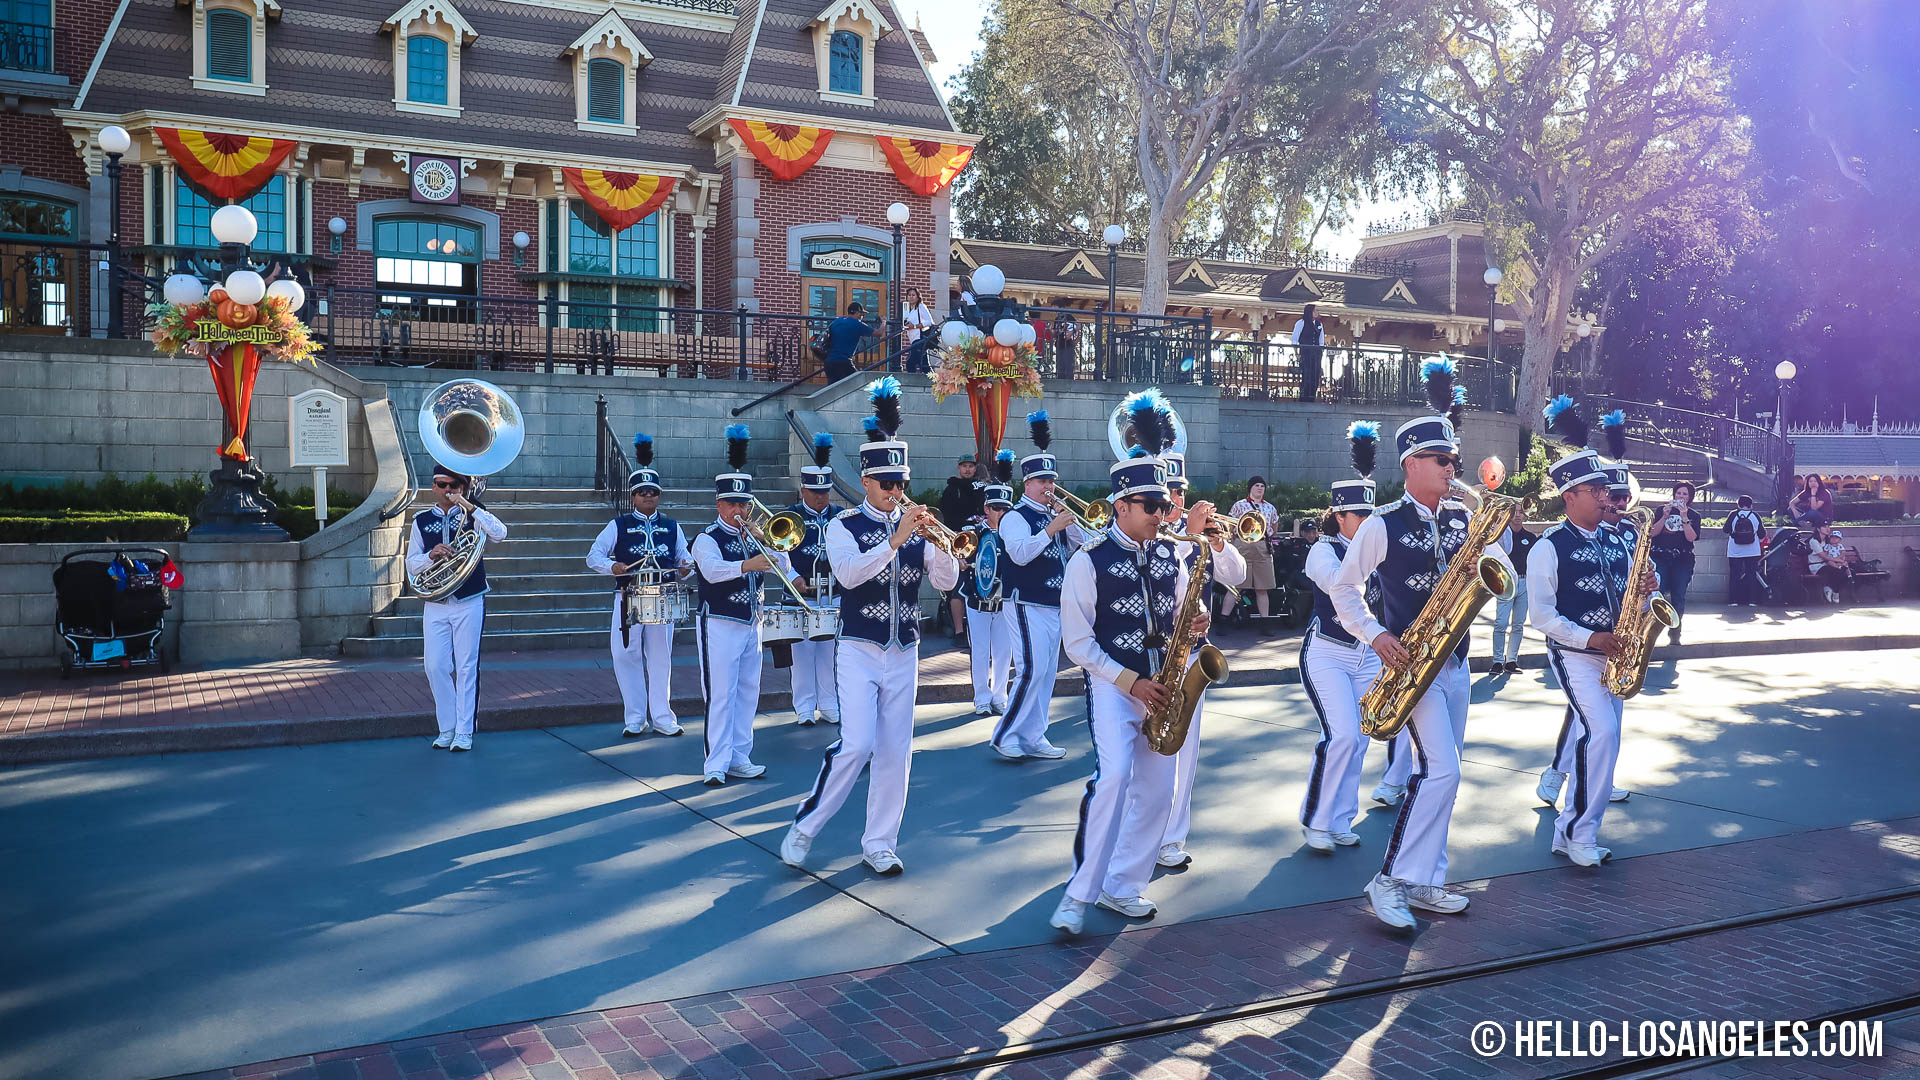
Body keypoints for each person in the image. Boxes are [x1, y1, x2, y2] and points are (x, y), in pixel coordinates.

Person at [1330, 358, 1512, 928]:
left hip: (1455, 661)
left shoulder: (1463, 518)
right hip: (1412, 666)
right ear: (1411, 464)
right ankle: (1388, 881)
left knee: (1443, 771)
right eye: (1443, 460)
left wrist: (1493, 536)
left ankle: (1428, 878)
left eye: (1454, 460)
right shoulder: (1382, 523)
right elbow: (1345, 589)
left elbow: (1504, 578)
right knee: (1442, 772)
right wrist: (1377, 635)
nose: (1452, 468)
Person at [783, 377, 960, 876]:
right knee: (857, 743)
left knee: (895, 751)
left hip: (905, 650)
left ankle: (879, 842)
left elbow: (946, 581)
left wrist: (942, 547)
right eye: (888, 485)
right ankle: (806, 825)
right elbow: (848, 575)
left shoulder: (915, 523)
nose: (896, 492)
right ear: (866, 482)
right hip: (858, 647)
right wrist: (898, 539)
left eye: (901, 484)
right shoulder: (843, 525)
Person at [1048, 423, 1205, 935]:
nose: (1164, 515)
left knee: (1159, 793)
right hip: (1116, 687)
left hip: (1167, 685)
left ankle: (1123, 886)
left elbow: (1186, 608)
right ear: (1122, 505)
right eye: (1152, 506)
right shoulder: (1087, 561)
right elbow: (1078, 644)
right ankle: (1078, 895)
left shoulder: (1171, 555)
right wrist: (1130, 682)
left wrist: (1198, 617)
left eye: (1164, 505)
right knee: (1114, 778)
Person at [1114, 400, 1247, 872]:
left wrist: (1216, 540)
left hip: (1190, 656)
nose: (1174, 503)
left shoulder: (1198, 534)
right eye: (1167, 495)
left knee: (1183, 752)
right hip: (1144, 661)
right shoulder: (1153, 538)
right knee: (1138, 762)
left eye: (1179, 493)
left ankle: (1172, 838)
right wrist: (1188, 538)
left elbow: (1237, 571)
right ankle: (1132, 840)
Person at [1526, 400, 1658, 867]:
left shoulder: (1621, 538)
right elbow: (1539, 616)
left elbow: (1639, 595)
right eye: (1597, 489)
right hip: (1576, 654)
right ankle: (1577, 831)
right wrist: (1590, 639)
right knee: (1599, 733)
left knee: (1608, 739)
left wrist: (1647, 590)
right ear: (1570, 496)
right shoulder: (1548, 546)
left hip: (1618, 653)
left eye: (1606, 488)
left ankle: (1573, 831)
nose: (1608, 497)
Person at [1297, 421, 1407, 852]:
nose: (1366, 522)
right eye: (1358, 515)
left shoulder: (1376, 542)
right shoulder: (1321, 549)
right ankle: (1316, 819)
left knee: (1360, 738)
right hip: (1327, 652)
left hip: (1368, 655)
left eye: (1371, 515)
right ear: (1338, 515)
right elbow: (1339, 583)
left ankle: (1340, 818)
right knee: (1340, 735)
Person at [691, 425, 800, 786]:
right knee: (720, 693)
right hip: (719, 622)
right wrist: (747, 564)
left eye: (744, 504)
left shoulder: (754, 534)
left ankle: (740, 756)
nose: (739, 510)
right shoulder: (707, 538)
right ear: (719, 504)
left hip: (753, 621)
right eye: (733, 503)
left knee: (747, 691)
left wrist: (767, 541)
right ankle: (715, 763)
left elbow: (784, 566)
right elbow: (711, 570)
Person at [992, 410, 1093, 760]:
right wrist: (1050, 528)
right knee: (1030, 669)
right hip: (1024, 601)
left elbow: (1082, 544)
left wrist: (1068, 520)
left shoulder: (1054, 514)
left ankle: (1034, 735)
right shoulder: (1015, 517)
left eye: (1051, 480)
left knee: (1047, 673)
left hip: (1054, 603)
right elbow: (1019, 555)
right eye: (1042, 482)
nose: (1049, 487)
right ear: (1027, 484)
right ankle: (1006, 734)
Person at [586, 435, 689, 738]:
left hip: (663, 597)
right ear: (633, 496)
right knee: (625, 655)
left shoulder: (672, 526)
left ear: (659, 496)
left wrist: (684, 569)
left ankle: (663, 716)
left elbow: (685, 558)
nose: (648, 497)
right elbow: (593, 556)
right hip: (628, 596)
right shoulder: (617, 525)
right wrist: (612, 567)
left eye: (653, 493)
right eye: (642, 492)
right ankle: (634, 716)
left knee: (660, 657)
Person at [407, 466, 508, 752]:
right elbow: (411, 564)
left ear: (462, 487)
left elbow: (500, 533)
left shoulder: (475, 516)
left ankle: (464, 731)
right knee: (435, 665)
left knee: (466, 667)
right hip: (436, 601)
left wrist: (471, 508)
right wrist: (431, 555)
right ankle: (447, 727)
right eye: (440, 484)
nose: (445, 490)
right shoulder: (422, 521)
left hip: (469, 598)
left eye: (452, 485)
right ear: (433, 487)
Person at [787, 433, 842, 726]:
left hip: (834, 591)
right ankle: (804, 706)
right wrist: (793, 577)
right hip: (801, 594)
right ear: (803, 490)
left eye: (824, 492)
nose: (821, 497)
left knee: (830, 652)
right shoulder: (790, 515)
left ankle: (830, 702)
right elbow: (778, 554)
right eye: (814, 492)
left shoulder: (841, 515)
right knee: (802, 653)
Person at [963, 451, 1017, 716]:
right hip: (977, 600)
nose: (1002, 512)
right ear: (986, 509)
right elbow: (961, 556)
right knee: (981, 651)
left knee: (1004, 652)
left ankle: (1000, 695)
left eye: (1006, 508)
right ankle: (981, 697)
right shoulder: (974, 531)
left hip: (1004, 601)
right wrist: (963, 559)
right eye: (997, 508)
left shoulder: (1016, 533)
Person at [940, 453, 986, 642]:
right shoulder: (951, 490)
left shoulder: (982, 489)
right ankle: (959, 632)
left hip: (982, 541)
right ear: (958, 468)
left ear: (975, 468)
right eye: (964, 466)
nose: (967, 469)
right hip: (960, 543)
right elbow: (945, 519)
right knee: (958, 587)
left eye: (971, 466)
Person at [1650, 481, 1702, 644]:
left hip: (1682, 560)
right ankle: (1651, 634)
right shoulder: (1660, 511)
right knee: (1658, 595)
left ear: (1690, 497)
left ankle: (1675, 634)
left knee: (1678, 597)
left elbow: (1691, 537)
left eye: (1685, 494)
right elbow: (1652, 533)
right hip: (1660, 558)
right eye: (1678, 493)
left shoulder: (1694, 515)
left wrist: (1684, 517)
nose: (1681, 497)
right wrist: (1664, 516)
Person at [1227, 477, 1281, 620]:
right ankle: (1223, 618)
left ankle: (1265, 621)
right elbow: (1230, 525)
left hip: (1262, 547)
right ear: (1250, 488)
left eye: (1262, 486)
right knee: (1235, 585)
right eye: (1256, 485)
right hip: (1242, 545)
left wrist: (1271, 541)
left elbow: (1275, 525)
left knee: (1262, 588)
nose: (1259, 488)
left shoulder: (1270, 507)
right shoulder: (1239, 505)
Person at [1491, 518, 1536, 674]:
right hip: (1506, 582)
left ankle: (1511, 661)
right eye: (1515, 512)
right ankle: (1497, 661)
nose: (1518, 515)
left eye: (1520, 512)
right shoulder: (1502, 537)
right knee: (1501, 623)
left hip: (1525, 581)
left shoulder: (1530, 537)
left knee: (1518, 624)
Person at [1725, 494, 1765, 606]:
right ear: (1751, 505)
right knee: (1751, 574)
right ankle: (1752, 600)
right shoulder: (1755, 516)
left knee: (1734, 575)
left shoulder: (1733, 515)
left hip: (1735, 550)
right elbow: (1762, 533)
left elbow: (1726, 529)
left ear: (1738, 504)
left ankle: (1733, 601)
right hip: (1752, 550)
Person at [823, 301, 872, 383]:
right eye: (862, 314)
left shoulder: (837, 321)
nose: (862, 316)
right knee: (857, 383)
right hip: (843, 362)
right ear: (857, 313)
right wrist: (883, 322)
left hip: (829, 362)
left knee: (833, 390)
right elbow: (879, 333)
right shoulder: (857, 324)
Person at [1808, 521, 1852, 603]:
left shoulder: (1827, 541)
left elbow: (1838, 551)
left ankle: (1829, 588)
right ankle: (1835, 591)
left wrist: (1842, 561)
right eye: (1824, 527)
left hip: (1827, 564)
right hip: (1817, 566)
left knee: (1847, 571)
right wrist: (1839, 560)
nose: (1827, 529)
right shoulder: (1814, 541)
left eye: (1828, 526)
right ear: (1818, 529)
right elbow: (1823, 556)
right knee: (1837, 572)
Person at [1292, 303, 1327, 403]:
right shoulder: (1301, 323)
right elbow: (1295, 339)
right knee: (1307, 375)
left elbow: (1321, 341)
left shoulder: (1319, 324)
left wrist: (1320, 351)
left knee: (1315, 376)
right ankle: (1304, 397)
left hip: (1316, 354)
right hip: (1306, 353)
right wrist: (1297, 354)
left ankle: (1312, 397)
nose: (1317, 312)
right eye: (1315, 310)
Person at [901, 288, 934, 373]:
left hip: (919, 338)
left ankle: (913, 381)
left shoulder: (921, 307)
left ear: (918, 297)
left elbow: (929, 322)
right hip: (912, 338)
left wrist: (914, 326)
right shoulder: (907, 309)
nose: (911, 297)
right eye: (909, 295)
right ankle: (932, 380)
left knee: (910, 363)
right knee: (923, 363)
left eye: (913, 295)